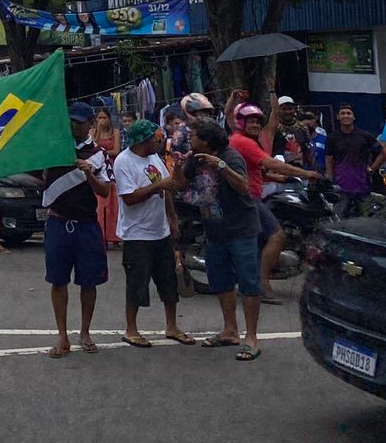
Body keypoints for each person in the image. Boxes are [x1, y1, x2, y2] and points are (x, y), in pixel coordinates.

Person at [178, 118, 263, 360]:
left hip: (241, 230)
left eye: (193, 136)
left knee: (248, 283)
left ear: (206, 140)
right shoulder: (195, 159)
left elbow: (244, 187)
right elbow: (181, 183)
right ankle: (230, 330)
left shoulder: (230, 156)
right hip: (215, 230)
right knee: (221, 281)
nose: (189, 139)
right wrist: (178, 166)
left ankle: (251, 338)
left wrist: (222, 165)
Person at [113, 118, 193, 348]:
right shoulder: (123, 162)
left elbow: (168, 187)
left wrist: (172, 218)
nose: (156, 142)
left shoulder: (153, 158)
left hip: (160, 230)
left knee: (168, 281)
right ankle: (131, 329)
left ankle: (172, 325)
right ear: (141, 141)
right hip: (137, 233)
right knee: (137, 282)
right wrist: (159, 186)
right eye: (152, 139)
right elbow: (129, 198)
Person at [41, 102, 111, 358]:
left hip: (86, 225)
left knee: (88, 282)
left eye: (79, 121)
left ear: (90, 124)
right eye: (71, 120)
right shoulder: (54, 148)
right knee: (58, 280)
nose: (74, 125)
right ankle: (62, 334)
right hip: (58, 222)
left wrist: (89, 173)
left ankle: (85, 331)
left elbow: (105, 190)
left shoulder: (97, 154)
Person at [229, 102, 318, 303]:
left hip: (251, 193)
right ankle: (261, 283)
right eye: (250, 121)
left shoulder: (245, 140)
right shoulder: (244, 142)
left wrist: (281, 178)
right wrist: (307, 174)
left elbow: (258, 169)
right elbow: (272, 163)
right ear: (241, 123)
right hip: (247, 198)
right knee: (277, 236)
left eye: (256, 122)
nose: (254, 125)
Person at [324, 105, 384, 217]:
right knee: (339, 220)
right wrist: (330, 182)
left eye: (348, 113)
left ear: (354, 117)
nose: (345, 116)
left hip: (362, 186)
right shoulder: (332, 138)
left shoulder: (364, 136)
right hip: (341, 188)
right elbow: (329, 160)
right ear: (337, 117)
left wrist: (372, 169)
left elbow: (383, 153)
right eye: (342, 113)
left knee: (365, 220)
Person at [90, 106, 122, 246]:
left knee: (112, 202)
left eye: (104, 118)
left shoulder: (115, 132)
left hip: (111, 167)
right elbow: (93, 147)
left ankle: (113, 234)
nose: (102, 120)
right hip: (98, 168)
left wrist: (103, 154)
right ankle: (100, 234)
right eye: (99, 118)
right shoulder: (93, 131)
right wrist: (98, 131)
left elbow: (116, 150)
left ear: (109, 119)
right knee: (99, 203)